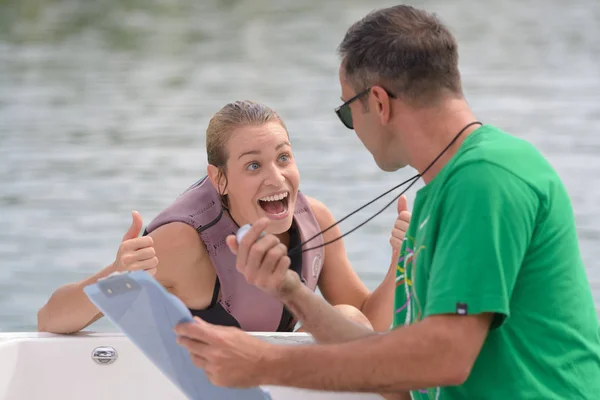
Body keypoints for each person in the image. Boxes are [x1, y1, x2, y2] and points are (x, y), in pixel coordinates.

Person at [174, 5, 600, 400]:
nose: (352, 129)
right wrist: (290, 291)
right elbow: (392, 362)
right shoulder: (441, 192)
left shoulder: (486, 178)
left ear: (377, 102)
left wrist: (265, 363)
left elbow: (445, 357)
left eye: (346, 113)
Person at [37, 100, 410, 335]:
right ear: (219, 179)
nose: (276, 178)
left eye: (283, 158)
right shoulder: (184, 241)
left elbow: (367, 321)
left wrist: (400, 262)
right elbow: (49, 320)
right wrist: (115, 275)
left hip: (279, 384)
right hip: (196, 388)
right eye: (253, 165)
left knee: (346, 318)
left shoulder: (315, 220)